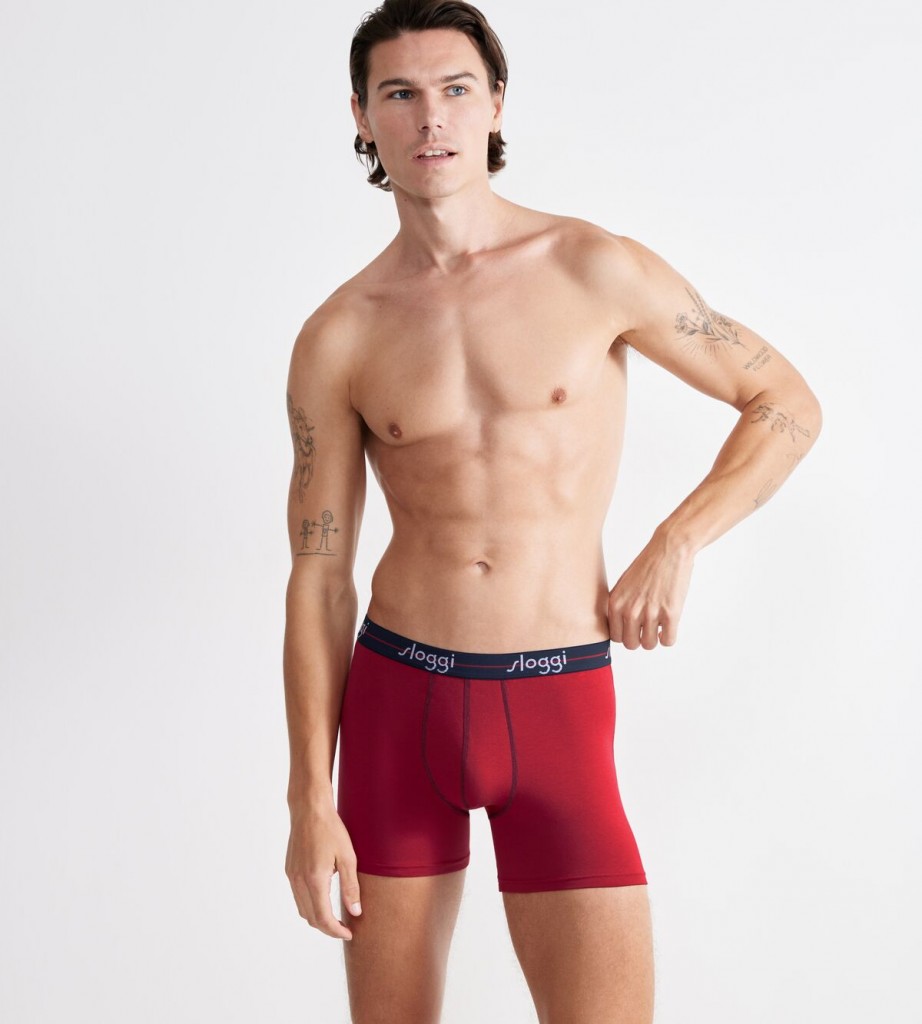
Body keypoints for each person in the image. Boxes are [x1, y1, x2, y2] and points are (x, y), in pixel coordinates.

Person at [282, 1, 822, 1020]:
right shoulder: (338, 335)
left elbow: (785, 403)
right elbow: (318, 573)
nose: (430, 118)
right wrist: (309, 797)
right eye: (400, 94)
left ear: (495, 104)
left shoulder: (591, 267)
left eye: (455, 89)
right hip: (399, 708)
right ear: (361, 116)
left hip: (558, 700)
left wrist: (677, 539)